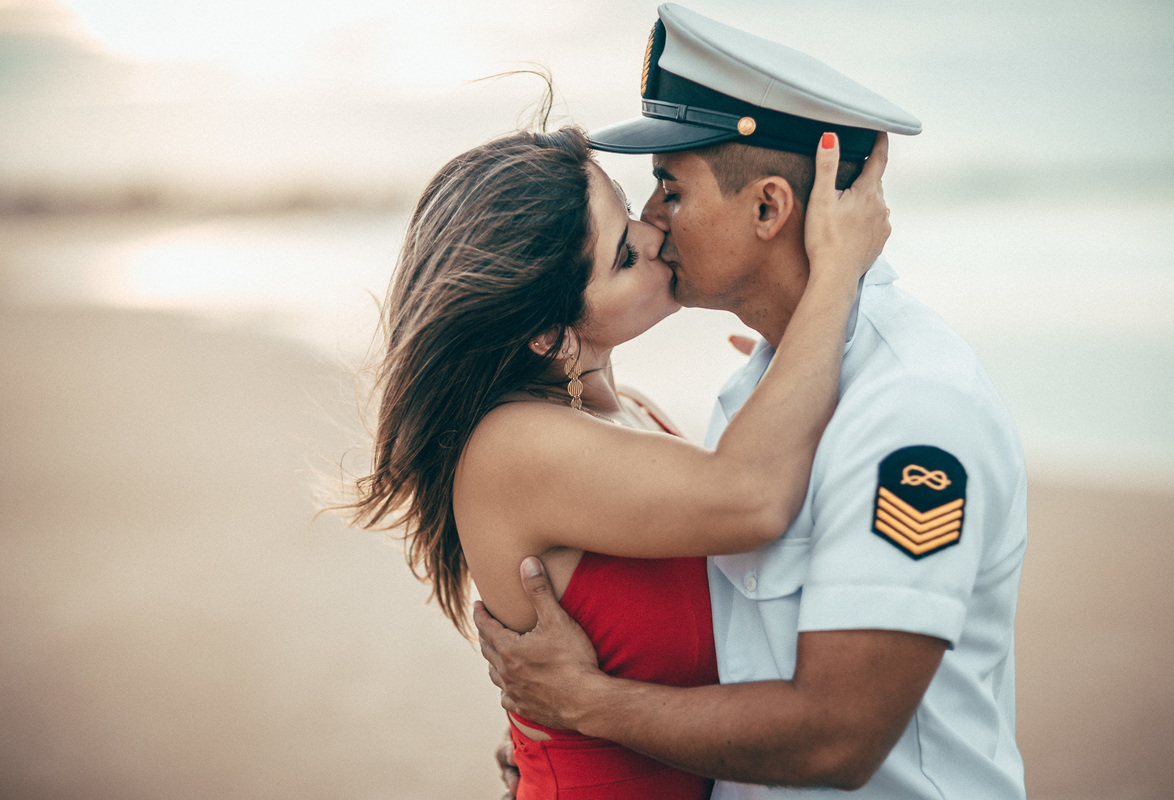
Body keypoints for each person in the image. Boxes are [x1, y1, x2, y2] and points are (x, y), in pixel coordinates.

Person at [475, 4, 1028, 799]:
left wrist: (587, 707)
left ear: (768, 209)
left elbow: (837, 738)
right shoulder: (766, 385)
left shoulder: (911, 405)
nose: (655, 224)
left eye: (670, 189)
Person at [339, 85, 891, 797]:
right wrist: (836, 272)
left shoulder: (633, 412)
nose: (657, 234)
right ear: (549, 334)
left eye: (634, 209)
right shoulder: (512, 446)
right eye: (624, 255)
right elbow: (752, 497)